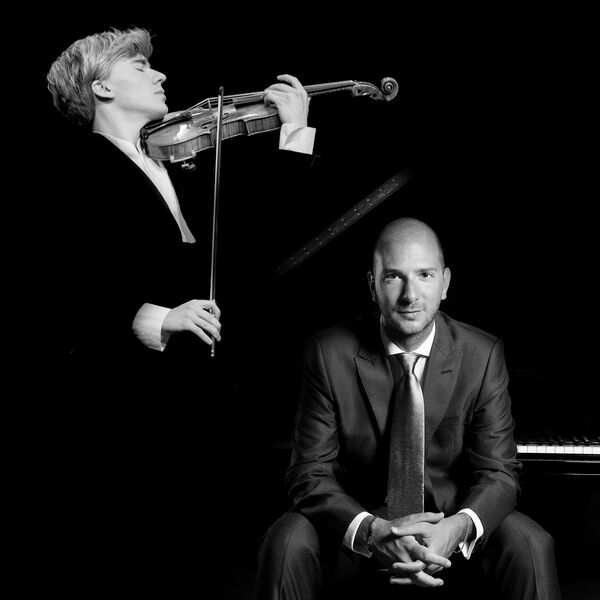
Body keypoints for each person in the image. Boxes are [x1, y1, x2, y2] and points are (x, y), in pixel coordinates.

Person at [37, 25, 317, 596]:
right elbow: (61, 288)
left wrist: (293, 131)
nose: (160, 73)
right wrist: (160, 317)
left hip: (199, 412)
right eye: (140, 66)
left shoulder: (179, 167)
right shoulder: (73, 169)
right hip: (126, 423)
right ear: (101, 88)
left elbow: (260, 245)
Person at [253, 217, 561, 600]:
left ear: (445, 283)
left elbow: (500, 472)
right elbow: (308, 473)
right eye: (393, 277)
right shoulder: (327, 353)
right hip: (358, 526)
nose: (410, 295)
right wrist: (371, 531)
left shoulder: (482, 354)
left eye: (425, 275)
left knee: (531, 543)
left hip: (448, 524)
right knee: (285, 541)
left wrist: (457, 529)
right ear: (372, 285)